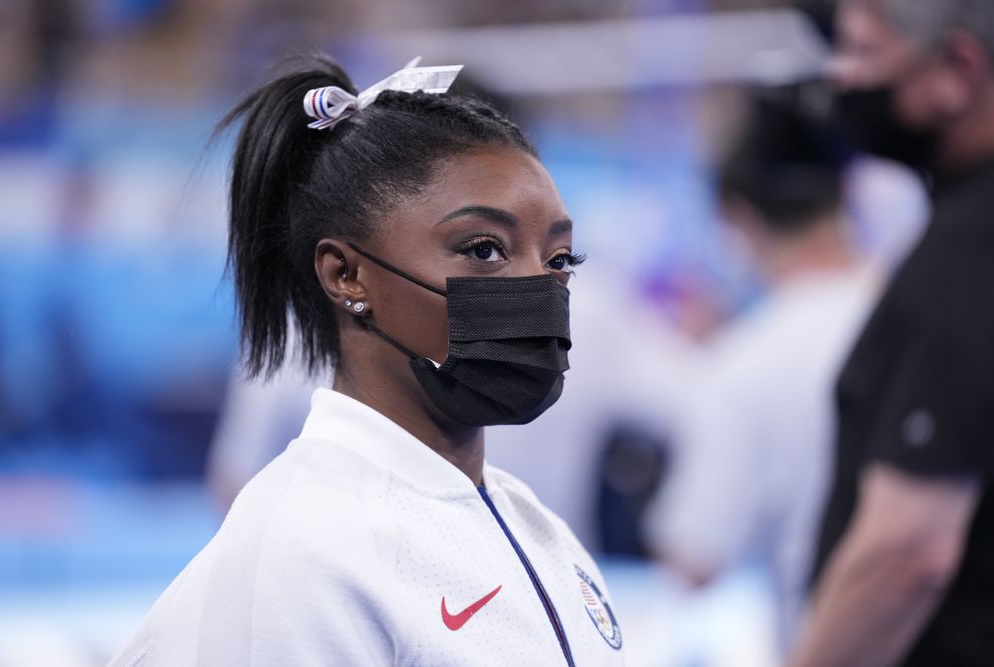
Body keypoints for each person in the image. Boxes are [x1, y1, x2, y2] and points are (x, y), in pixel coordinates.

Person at [108, 54, 624, 666]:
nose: (536, 287)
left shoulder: (544, 535)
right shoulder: (300, 554)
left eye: (560, 260)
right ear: (347, 274)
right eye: (483, 249)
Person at [790, 2, 994, 665]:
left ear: (959, 69)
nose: (840, 77)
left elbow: (907, 554)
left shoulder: (969, 251)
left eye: (862, 54)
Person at [643, 86, 878, 652]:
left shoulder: (748, 361)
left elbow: (694, 558)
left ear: (737, 218)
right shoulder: (927, 313)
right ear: (848, 193)